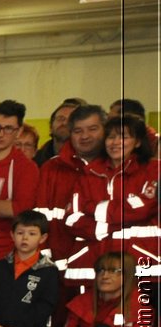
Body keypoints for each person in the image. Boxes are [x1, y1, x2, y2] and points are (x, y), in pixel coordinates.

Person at [36, 103, 112, 309]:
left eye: (92, 129)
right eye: (78, 131)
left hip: (109, 269)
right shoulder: (52, 168)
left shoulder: (117, 165)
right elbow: (41, 219)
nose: (85, 136)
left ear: (105, 130)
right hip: (61, 271)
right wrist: (45, 265)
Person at [0, 99, 41, 275]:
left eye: (8, 128)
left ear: (18, 132)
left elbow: (18, 209)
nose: (0, 134)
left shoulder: (26, 167)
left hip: (3, 250)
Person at [98, 112, 159, 283]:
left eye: (123, 137)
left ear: (138, 142)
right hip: (108, 264)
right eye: (110, 137)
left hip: (149, 262)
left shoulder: (154, 169)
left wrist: (98, 210)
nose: (115, 142)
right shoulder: (95, 172)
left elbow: (144, 208)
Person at [35, 98, 86, 166]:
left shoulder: (89, 158)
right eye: (60, 118)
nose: (65, 123)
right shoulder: (36, 159)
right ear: (50, 126)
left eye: (71, 119)